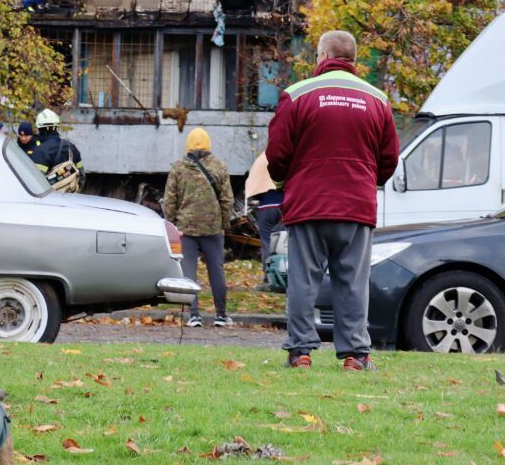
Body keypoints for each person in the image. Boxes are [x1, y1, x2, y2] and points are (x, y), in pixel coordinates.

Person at [266, 30, 399, 371]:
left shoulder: (297, 95)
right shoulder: (377, 99)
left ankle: (301, 353)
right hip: (356, 206)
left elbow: (277, 154)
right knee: (353, 283)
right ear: (353, 59)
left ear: (323, 56)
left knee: (303, 282)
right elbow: (389, 159)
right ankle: (356, 354)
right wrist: (368, 182)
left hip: (309, 204)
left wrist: (287, 179)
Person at [163, 127, 234, 328]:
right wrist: (223, 224)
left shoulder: (178, 168)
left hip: (186, 229)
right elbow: (227, 199)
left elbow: (169, 201)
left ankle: (194, 315)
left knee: (188, 273)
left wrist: (174, 225)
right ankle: (221, 315)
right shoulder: (219, 166)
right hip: (212, 229)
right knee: (216, 271)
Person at [244, 151, 284, 291]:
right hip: (286, 206)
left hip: (266, 207)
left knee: (267, 243)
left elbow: (254, 186)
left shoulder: (263, 159)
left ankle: (269, 279)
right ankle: (286, 276)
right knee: (286, 243)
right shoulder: (289, 155)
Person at [31, 109, 84, 192]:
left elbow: (34, 183)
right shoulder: (71, 147)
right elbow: (82, 177)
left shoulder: (40, 151)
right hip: (70, 199)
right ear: (57, 127)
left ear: (39, 128)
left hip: (50, 201)